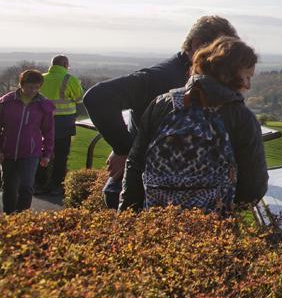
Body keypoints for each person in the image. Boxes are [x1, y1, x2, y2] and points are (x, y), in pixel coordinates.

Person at [83, 16, 237, 209]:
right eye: (221, 51)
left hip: (160, 191)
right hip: (145, 195)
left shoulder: (189, 77)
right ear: (197, 44)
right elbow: (98, 98)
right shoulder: (163, 77)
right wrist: (125, 150)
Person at [120, 36, 268, 211]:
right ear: (229, 74)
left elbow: (135, 164)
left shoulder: (163, 104)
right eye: (247, 77)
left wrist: (128, 215)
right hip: (211, 228)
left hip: (156, 219)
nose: (249, 86)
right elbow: (253, 185)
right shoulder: (241, 117)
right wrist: (231, 208)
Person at [0, 70, 55, 214]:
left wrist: (46, 153)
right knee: (9, 186)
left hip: (31, 152)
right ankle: (9, 215)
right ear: (22, 84)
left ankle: (23, 216)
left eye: (37, 87)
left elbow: (49, 131)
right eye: (30, 87)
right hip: (8, 151)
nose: (33, 90)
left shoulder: (44, 106)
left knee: (26, 185)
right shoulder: (6, 102)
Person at [35, 55, 84, 196]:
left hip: (40, 122)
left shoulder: (41, 78)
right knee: (61, 156)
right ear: (64, 64)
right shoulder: (70, 79)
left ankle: (38, 184)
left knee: (41, 153)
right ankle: (57, 186)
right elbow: (79, 98)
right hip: (63, 122)